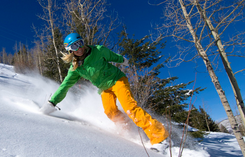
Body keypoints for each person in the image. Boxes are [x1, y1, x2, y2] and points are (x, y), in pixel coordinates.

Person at [40, 33, 168, 146]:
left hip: (117, 80)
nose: (79, 48)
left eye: (79, 43)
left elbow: (113, 56)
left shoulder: (98, 50)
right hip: (104, 88)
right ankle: (128, 130)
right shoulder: (76, 68)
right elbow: (65, 86)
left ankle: (160, 137)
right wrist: (52, 103)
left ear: (83, 42)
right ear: (69, 50)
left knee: (130, 108)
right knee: (110, 111)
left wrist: (123, 60)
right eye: (74, 47)